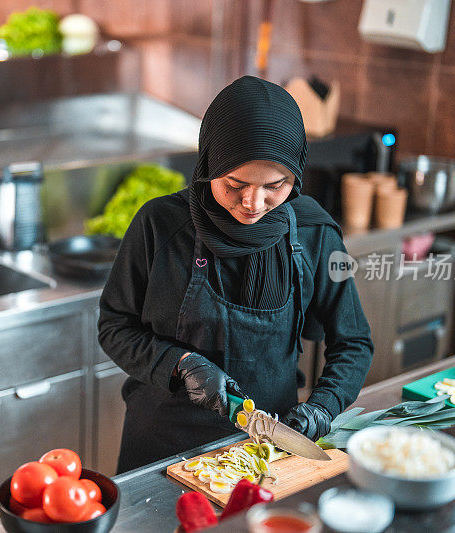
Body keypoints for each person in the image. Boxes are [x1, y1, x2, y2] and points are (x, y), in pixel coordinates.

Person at [98, 76, 374, 473]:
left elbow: (354, 342)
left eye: (274, 186)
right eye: (235, 184)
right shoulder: (159, 226)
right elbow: (114, 326)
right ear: (209, 162)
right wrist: (179, 362)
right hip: (161, 448)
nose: (253, 203)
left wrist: (323, 407)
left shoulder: (317, 233)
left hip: (264, 447)